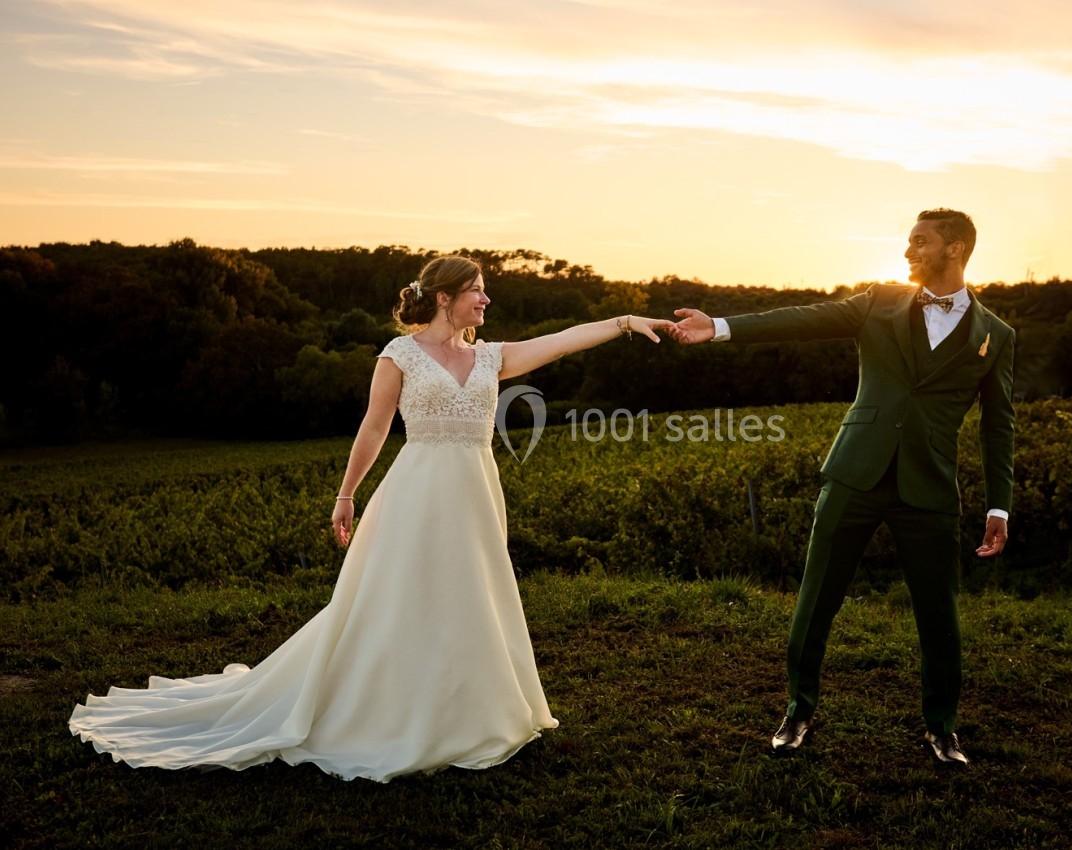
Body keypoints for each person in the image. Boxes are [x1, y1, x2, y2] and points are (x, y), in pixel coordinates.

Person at [68, 255, 674, 783]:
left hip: (475, 496)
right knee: (399, 600)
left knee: (469, 596)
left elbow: (564, 339)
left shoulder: (494, 358)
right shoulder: (401, 354)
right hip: (415, 494)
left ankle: (468, 713)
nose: (487, 299)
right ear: (445, 298)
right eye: (477, 290)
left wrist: (623, 322)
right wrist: (345, 495)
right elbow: (376, 426)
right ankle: (386, 712)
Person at [670, 209, 1015, 766]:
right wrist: (722, 327)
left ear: (956, 249)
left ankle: (942, 727)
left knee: (939, 613)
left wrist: (999, 504)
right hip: (855, 472)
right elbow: (803, 318)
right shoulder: (880, 301)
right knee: (817, 598)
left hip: (928, 487)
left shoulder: (996, 336)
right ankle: (798, 709)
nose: (908, 251)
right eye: (907, 241)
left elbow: (1000, 426)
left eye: (920, 242)